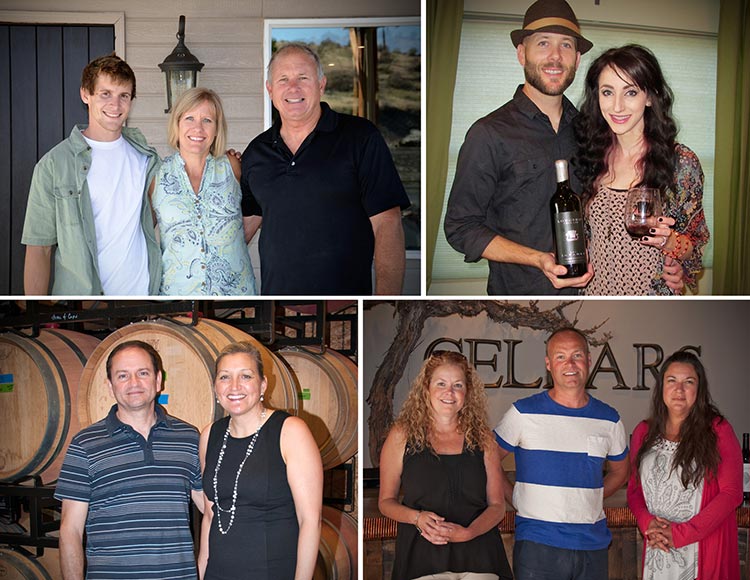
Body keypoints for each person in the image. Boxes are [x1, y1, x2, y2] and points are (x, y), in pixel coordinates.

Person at [443, 0, 684, 296]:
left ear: (578, 58)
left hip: (592, 294)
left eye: (566, 45)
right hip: (522, 296)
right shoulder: (489, 134)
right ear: (522, 53)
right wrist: (537, 258)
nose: (555, 57)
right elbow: (461, 227)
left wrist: (674, 261)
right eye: (543, 43)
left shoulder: (593, 132)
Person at [240, 42, 411, 295]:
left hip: (346, 304)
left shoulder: (360, 137)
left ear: (321, 84)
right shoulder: (256, 152)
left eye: (303, 77)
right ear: (270, 90)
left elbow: (387, 222)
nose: (293, 87)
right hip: (278, 304)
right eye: (283, 79)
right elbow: (248, 222)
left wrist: (387, 300)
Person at [55, 340, 203, 579]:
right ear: (110, 386)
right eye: (122, 375)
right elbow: (70, 530)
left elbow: (211, 508)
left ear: (158, 380)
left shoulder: (187, 437)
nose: (134, 383)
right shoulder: (84, 444)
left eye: (142, 373)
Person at [494, 328, 629, 580]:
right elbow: (488, 459)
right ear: (548, 364)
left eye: (577, 355)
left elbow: (621, 471)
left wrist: (591, 494)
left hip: (592, 546)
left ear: (589, 360)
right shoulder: (522, 413)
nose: (570, 364)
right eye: (560, 357)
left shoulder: (610, 419)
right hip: (538, 546)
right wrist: (515, 497)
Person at [573, 45, 709, 295]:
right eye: (607, 92)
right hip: (594, 299)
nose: (617, 106)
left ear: (649, 97)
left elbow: (696, 245)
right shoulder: (589, 157)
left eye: (630, 92)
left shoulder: (681, 163)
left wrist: (670, 243)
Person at [22, 54, 161, 295]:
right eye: (105, 94)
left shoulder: (146, 159)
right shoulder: (54, 165)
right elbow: (39, 249)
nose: (115, 106)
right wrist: (36, 318)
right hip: (83, 308)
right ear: (85, 94)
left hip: (142, 302)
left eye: (123, 96)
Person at [379, 350, 513, 580]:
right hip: (422, 557)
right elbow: (385, 502)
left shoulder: (483, 439)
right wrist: (417, 518)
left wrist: (469, 533)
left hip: (480, 555)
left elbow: (497, 506)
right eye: (441, 383)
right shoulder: (402, 435)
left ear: (467, 392)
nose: (449, 392)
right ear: (426, 389)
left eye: (458, 385)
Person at [198, 342, 322, 580]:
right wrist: (202, 573)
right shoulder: (209, 435)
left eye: (246, 376)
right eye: (225, 377)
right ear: (215, 387)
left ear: (263, 384)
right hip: (219, 573)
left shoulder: (290, 431)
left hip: (271, 571)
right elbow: (210, 515)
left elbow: (310, 520)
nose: (234, 386)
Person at [626, 351, 742, 580]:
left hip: (702, 547)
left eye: (688, 382)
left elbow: (732, 494)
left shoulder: (718, 430)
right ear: (661, 389)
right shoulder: (643, 432)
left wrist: (680, 534)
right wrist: (648, 524)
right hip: (658, 550)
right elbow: (634, 490)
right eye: (672, 381)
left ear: (699, 390)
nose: (679, 390)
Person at [151, 87, 258, 295]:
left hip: (236, 294)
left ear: (217, 128)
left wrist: (231, 242)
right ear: (177, 123)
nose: (198, 128)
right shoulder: (157, 176)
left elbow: (261, 205)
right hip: (178, 297)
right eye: (190, 118)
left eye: (207, 120)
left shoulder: (233, 166)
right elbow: (141, 236)